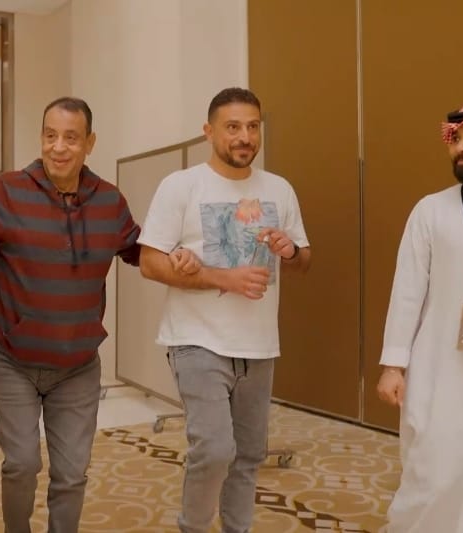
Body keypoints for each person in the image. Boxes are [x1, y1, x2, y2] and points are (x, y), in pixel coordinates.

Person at [0, 96, 197, 533]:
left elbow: (137, 249)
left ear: (89, 143)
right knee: (22, 463)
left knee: (71, 473)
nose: (58, 147)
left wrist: (176, 255)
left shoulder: (109, 201)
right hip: (10, 356)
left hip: (78, 364)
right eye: (50, 135)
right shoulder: (6, 191)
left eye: (70, 138)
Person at [137, 87, 311, 533]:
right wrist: (222, 279)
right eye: (232, 127)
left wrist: (290, 251)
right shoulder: (181, 186)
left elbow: (303, 260)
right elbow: (150, 263)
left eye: (253, 127)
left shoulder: (279, 189)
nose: (245, 137)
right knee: (215, 449)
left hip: (259, 345)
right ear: (209, 131)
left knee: (248, 455)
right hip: (196, 340)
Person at [376, 96, 463, 533]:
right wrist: (393, 365)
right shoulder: (431, 210)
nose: (461, 147)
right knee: (434, 468)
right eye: (457, 139)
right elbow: (407, 291)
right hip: (440, 371)